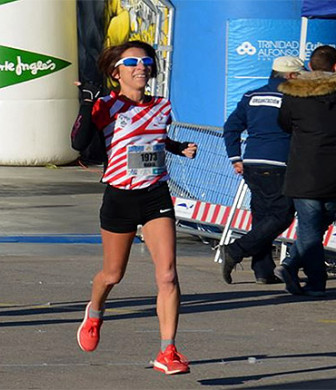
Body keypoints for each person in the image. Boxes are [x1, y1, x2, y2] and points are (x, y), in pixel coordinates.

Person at [71, 40, 197, 375]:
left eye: (146, 61)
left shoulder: (162, 106)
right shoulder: (108, 105)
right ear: (116, 72)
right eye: (132, 62)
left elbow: (153, 139)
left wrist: (177, 146)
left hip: (156, 196)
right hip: (120, 197)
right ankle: (95, 310)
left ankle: (167, 350)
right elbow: (78, 143)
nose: (141, 67)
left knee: (168, 274)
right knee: (113, 274)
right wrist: (87, 102)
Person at [220, 56, 303, 284]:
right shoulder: (293, 98)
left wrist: (235, 157)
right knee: (282, 214)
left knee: (262, 215)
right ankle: (236, 250)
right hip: (279, 163)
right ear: (290, 76)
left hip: (252, 163)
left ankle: (263, 270)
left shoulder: (251, 96)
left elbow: (231, 127)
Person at [274, 45, 336, 297]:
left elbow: (284, 124)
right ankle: (292, 267)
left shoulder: (293, 95)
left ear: (310, 67)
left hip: (304, 172)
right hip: (333, 172)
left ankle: (312, 280)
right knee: (321, 222)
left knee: (310, 227)